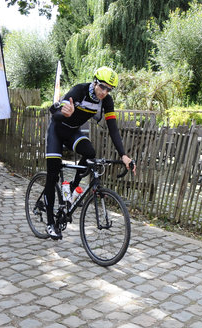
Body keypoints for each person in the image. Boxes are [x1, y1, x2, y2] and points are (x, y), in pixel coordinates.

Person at [44, 66, 136, 240]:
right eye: (102, 86)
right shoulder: (79, 91)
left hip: (72, 133)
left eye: (109, 89)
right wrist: (65, 113)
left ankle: (71, 189)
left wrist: (123, 154)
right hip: (57, 131)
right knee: (52, 174)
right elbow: (54, 115)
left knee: (90, 153)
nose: (104, 92)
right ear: (95, 82)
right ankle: (50, 223)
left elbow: (113, 129)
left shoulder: (106, 101)